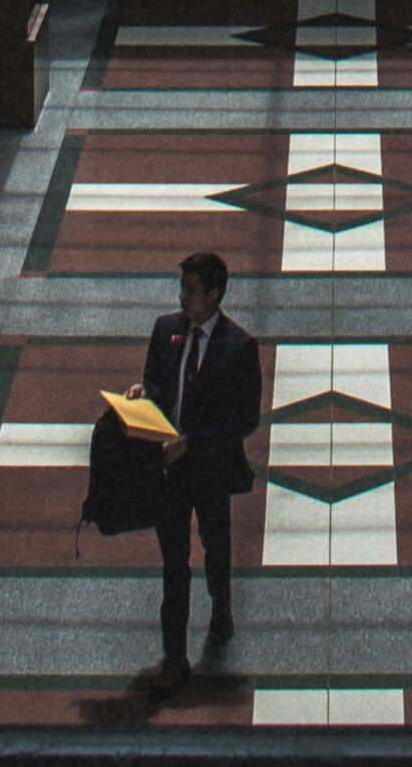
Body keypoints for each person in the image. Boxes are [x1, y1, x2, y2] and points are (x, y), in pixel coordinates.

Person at [133, 246, 261, 696]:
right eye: (182, 289)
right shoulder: (165, 329)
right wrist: (142, 392)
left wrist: (193, 442)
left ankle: (220, 605)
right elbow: (154, 380)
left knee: (215, 544)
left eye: (191, 290)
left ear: (215, 293)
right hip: (168, 471)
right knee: (174, 563)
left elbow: (245, 419)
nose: (182, 298)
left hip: (207, 471)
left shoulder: (239, 347)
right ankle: (174, 658)